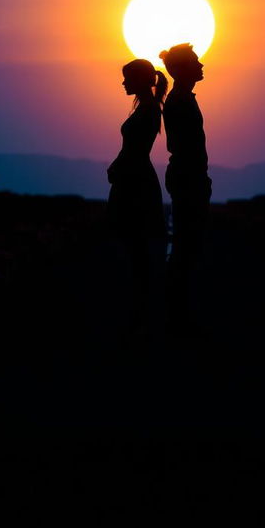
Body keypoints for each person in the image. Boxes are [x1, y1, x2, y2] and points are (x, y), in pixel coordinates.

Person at [107, 58, 168, 335]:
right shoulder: (147, 108)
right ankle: (141, 309)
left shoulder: (148, 110)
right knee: (136, 247)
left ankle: (141, 313)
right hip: (133, 178)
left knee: (137, 246)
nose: (123, 83)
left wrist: (118, 167)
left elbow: (135, 150)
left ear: (141, 80)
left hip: (135, 182)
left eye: (127, 78)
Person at [159, 43, 212, 333]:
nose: (201, 65)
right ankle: (177, 316)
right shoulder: (179, 100)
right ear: (180, 69)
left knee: (187, 246)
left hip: (190, 177)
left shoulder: (183, 98)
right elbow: (181, 146)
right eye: (195, 61)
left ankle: (178, 312)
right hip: (188, 177)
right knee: (186, 248)